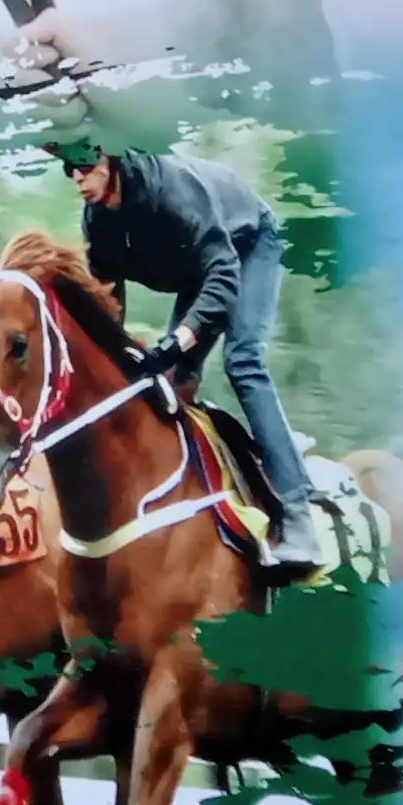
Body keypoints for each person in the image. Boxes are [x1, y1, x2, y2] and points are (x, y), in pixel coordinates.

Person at [57, 136, 325, 579]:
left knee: (242, 361)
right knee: (169, 385)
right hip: (197, 271)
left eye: (85, 163)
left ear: (112, 155)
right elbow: (109, 303)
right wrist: (118, 359)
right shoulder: (98, 221)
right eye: (69, 169)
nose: (78, 177)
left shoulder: (173, 192)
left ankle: (297, 517)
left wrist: (174, 341)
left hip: (246, 249)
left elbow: (222, 279)